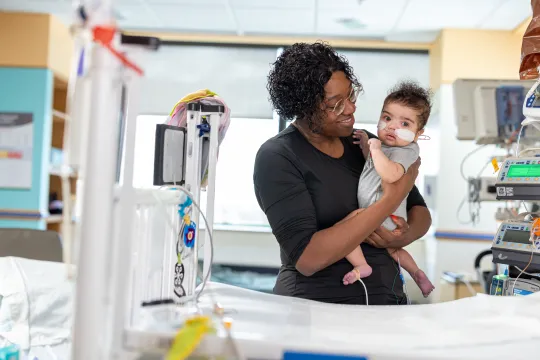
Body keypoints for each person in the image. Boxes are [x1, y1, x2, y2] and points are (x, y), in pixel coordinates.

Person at [253, 41, 432, 305]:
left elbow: (420, 212)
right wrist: (389, 202)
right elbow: (308, 259)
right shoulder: (278, 157)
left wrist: (402, 236)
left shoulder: (367, 143)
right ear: (304, 107)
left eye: (351, 96)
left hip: (387, 304)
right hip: (314, 309)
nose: (350, 108)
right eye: (336, 104)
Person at [341, 81, 435, 298]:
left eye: (405, 123)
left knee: (345, 231)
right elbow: (373, 166)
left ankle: (362, 266)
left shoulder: (406, 151)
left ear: (418, 133)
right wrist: (368, 146)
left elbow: (390, 173)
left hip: (380, 213)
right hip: (388, 217)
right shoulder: (388, 147)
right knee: (393, 250)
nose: (392, 126)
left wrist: (374, 147)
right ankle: (416, 272)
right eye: (387, 118)